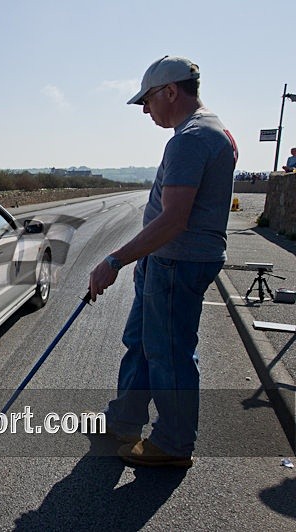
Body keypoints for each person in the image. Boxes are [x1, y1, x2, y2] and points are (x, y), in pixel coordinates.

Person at [88, 56, 237, 468]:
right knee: (141, 343)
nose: (144, 110)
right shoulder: (208, 130)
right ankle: (124, 420)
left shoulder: (190, 138)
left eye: (147, 100)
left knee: (169, 353)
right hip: (166, 260)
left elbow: (174, 219)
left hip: (177, 262)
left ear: (171, 91)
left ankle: (172, 443)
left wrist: (114, 260)